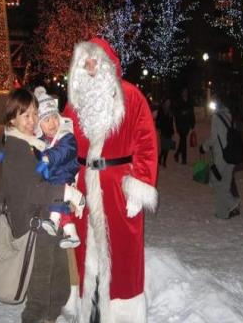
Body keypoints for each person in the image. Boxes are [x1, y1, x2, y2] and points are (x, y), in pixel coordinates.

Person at [62, 38, 158, 323]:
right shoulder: (75, 103)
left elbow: (146, 144)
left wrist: (139, 186)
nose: (90, 66)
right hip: (83, 187)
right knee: (84, 251)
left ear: (106, 62)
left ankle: (119, 314)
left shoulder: (131, 96)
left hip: (118, 189)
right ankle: (89, 310)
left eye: (94, 60)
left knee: (121, 255)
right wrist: (67, 179)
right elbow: (65, 143)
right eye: (85, 62)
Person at [1, 88, 70, 323]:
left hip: (44, 220)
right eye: (26, 115)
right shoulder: (17, 148)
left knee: (57, 280)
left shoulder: (31, 143)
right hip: (34, 225)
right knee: (40, 290)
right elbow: (33, 192)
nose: (33, 120)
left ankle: (52, 315)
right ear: (12, 119)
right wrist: (66, 193)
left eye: (35, 113)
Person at [33, 86, 85, 249]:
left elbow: (65, 152)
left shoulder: (66, 136)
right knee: (58, 202)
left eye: (55, 117)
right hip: (53, 178)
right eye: (46, 120)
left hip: (66, 174)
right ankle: (71, 234)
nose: (53, 123)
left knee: (57, 191)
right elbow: (38, 158)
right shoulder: (41, 141)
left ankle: (54, 221)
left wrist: (49, 157)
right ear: (39, 125)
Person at [200, 95, 241, 219]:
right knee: (225, 185)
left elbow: (214, 138)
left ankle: (232, 203)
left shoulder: (216, 117)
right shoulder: (230, 116)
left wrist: (204, 147)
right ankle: (221, 213)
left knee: (216, 182)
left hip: (221, 156)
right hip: (232, 155)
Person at [173, 88, 195, 164]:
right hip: (180, 124)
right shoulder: (178, 102)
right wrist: (182, 113)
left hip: (187, 124)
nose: (185, 93)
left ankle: (177, 154)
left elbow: (192, 113)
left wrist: (192, 124)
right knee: (184, 140)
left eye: (186, 92)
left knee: (182, 140)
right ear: (181, 93)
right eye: (184, 92)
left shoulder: (190, 101)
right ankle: (184, 159)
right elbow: (175, 113)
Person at [156, 98, 174, 167]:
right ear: (164, 103)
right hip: (163, 130)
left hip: (169, 130)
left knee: (167, 147)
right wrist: (158, 127)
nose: (168, 104)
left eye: (169, 102)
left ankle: (164, 161)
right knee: (163, 147)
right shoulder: (161, 110)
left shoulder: (170, 111)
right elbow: (158, 120)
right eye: (167, 102)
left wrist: (172, 131)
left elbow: (171, 122)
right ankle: (160, 158)